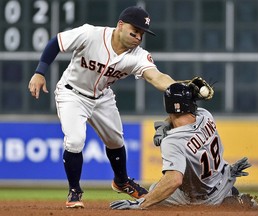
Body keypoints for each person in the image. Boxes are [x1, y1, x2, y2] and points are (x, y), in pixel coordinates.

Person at [28, 6, 178, 209]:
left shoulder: (138, 55)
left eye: (142, 33)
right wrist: (39, 72)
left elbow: (156, 77)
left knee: (115, 140)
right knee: (75, 140)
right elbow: (57, 42)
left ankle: (122, 181)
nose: (138, 36)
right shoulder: (90, 34)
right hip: (71, 93)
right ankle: (74, 191)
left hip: (102, 97)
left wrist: (179, 87)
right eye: (135, 30)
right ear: (120, 25)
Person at [110, 82, 258, 210]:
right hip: (224, 176)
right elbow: (180, 115)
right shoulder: (205, 116)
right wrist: (165, 125)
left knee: (154, 193)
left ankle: (224, 203)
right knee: (160, 189)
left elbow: (174, 180)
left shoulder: (172, 142)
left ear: (168, 105)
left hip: (203, 198)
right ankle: (231, 193)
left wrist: (141, 203)